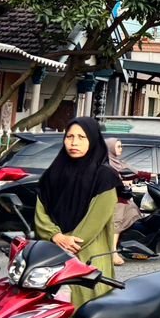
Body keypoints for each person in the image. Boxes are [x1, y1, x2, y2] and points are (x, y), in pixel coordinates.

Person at [35, 117, 121, 307]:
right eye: (70, 136)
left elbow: (94, 221)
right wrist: (55, 235)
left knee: (84, 312)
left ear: (93, 140)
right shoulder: (52, 173)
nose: (74, 142)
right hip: (52, 255)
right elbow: (41, 211)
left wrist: (68, 242)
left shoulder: (104, 177)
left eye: (82, 137)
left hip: (87, 256)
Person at [107, 138, 139, 266]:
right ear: (110, 147)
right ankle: (112, 253)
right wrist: (122, 182)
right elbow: (110, 179)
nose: (121, 149)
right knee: (116, 223)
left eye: (121, 146)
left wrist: (151, 176)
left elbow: (133, 172)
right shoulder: (107, 163)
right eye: (118, 146)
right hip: (113, 199)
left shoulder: (118, 162)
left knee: (131, 210)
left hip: (121, 197)